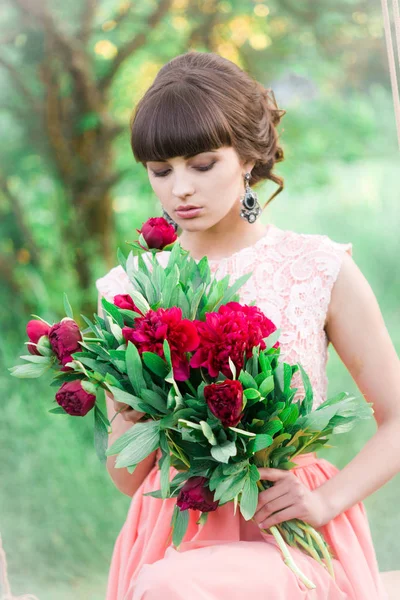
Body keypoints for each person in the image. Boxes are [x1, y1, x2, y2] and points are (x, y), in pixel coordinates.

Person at [96, 51, 397, 599]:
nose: (179, 189)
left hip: (288, 530)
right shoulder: (128, 291)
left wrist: (327, 500)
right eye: (160, 171)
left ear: (249, 159)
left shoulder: (318, 269)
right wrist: (126, 415)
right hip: (173, 530)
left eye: (202, 164)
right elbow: (126, 480)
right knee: (172, 584)